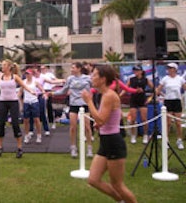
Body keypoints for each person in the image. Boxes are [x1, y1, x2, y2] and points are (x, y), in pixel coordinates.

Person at [81, 64, 137, 203]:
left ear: (103, 79)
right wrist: (98, 124)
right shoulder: (104, 95)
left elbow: (100, 118)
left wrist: (88, 102)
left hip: (114, 143)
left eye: (94, 75)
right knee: (93, 180)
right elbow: (104, 119)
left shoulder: (109, 96)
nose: (92, 77)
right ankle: (121, 201)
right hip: (105, 142)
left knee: (117, 185)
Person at [51, 62, 93, 158]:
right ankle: (73, 147)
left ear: (79, 69)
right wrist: (52, 93)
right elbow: (64, 90)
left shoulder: (87, 78)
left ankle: (89, 148)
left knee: (87, 127)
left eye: (73, 68)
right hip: (74, 105)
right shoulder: (70, 79)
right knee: (73, 127)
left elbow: (94, 87)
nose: (71, 69)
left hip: (85, 104)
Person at [155, 62, 186, 150]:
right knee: (168, 123)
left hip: (177, 101)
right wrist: (159, 94)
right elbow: (158, 89)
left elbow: (184, 88)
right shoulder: (165, 79)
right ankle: (166, 141)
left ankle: (179, 140)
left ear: (175, 69)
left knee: (178, 123)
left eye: (171, 68)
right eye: (168, 68)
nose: (169, 70)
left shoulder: (180, 79)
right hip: (168, 101)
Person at [125, 65, 154, 144]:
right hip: (133, 100)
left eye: (137, 70)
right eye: (134, 71)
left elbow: (154, 89)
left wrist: (150, 98)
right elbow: (125, 88)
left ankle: (145, 135)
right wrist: (119, 96)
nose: (136, 72)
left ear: (141, 71)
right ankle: (133, 135)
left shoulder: (146, 79)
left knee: (144, 119)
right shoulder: (131, 79)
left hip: (142, 100)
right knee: (133, 119)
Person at [19, 69, 45, 144]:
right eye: (26, 74)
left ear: (32, 74)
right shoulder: (23, 82)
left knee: (36, 119)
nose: (27, 75)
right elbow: (20, 92)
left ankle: (39, 135)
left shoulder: (35, 81)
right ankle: (26, 135)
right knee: (26, 120)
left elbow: (42, 89)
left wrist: (43, 93)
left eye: (29, 74)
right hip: (26, 102)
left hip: (34, 102)